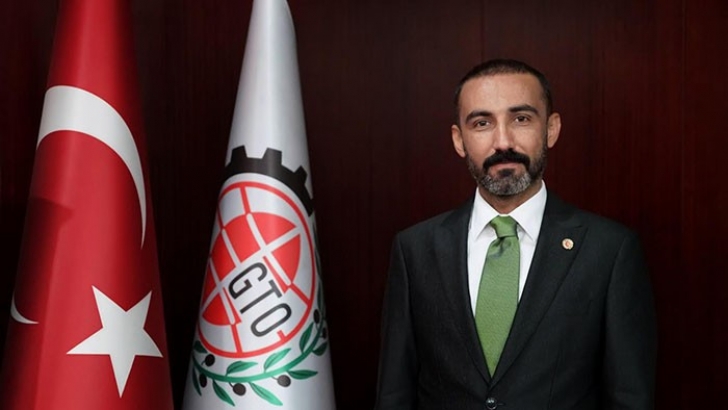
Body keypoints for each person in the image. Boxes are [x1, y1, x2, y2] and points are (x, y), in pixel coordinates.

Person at [373, 59, 657, 410]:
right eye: (482, 123)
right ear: (459, 140)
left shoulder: (610, 251)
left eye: (521, 119)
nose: (503, 142)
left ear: (551, 129)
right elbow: (394, 395)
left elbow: (629, 397)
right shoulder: (414, 250)